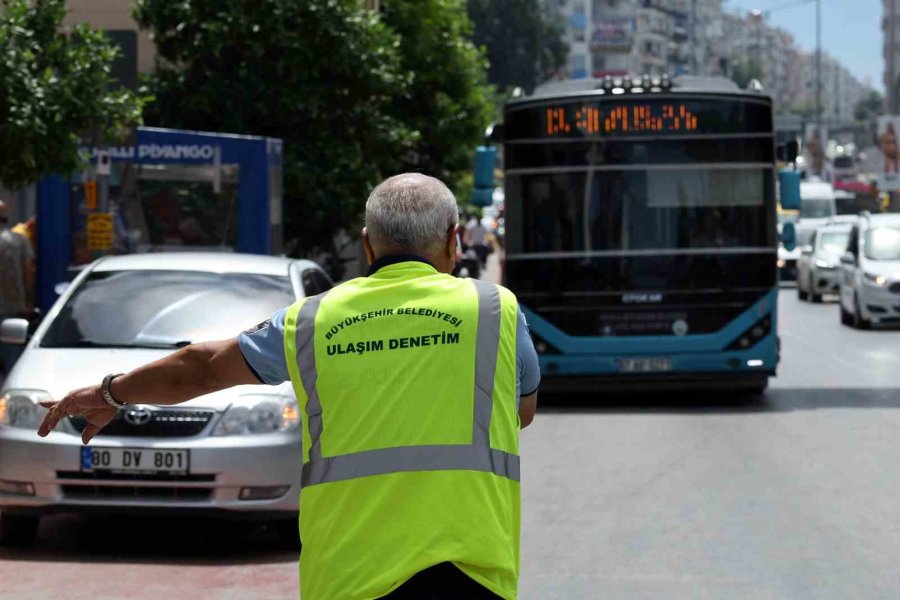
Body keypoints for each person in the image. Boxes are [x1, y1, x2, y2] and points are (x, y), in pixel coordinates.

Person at [37, 173, 541, 600]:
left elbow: (201, 365)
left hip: (348, 576)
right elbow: (521, 410)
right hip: (472, 571)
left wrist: (108, 394)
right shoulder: (495, 309)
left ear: (367, 243)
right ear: (455, 241)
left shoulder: (312, 320)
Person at [0, 200, 35, 374]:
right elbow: (28, 272)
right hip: (13, 309)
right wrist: (29, 302)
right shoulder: (19, 241)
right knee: (12, 360)